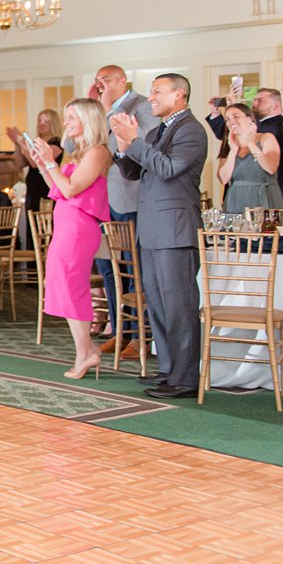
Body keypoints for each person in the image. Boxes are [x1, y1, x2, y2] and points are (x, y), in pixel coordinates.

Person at [111, 73, 208, 400]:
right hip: (152, 228)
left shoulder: (192, 130)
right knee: (158, 306)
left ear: (179, 95)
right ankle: (168, 369)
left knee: (179, 306)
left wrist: (136, 142)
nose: (151, 97)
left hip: (176, 230)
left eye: (157, 92)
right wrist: (125, 147)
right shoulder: (157, 130)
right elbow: (133, 172)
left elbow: (167, 169)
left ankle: (186, 378)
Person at [21, 99, 111, 379]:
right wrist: (43, 166)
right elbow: (58, 188)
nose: (67, 122)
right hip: (66, 226)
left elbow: (71, 189)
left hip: (79, 229)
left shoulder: (97, 152)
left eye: (72, 117)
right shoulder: (79, 153)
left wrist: (50, 162)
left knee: (73, 289)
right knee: (65, 286)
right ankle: (85, 349)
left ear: (88, 119)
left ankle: (87, 351)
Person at [89, 65, 159, 351]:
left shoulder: (140, 105)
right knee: (109, 268)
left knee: (133, 268)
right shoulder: (99, 107)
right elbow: (78, 144)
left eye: (106, 79)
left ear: (122, 81)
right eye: (98, 81)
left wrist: (105, 111)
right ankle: (119, 332)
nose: (101, 84)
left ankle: (138, 336)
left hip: (129, 196)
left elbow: (139, 143)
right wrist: (96, 110)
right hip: (103, 198)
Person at [206, 84, 283, 202]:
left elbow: (248, 129)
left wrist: (233, 106)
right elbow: (227, 132)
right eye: (254, 100)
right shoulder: (236, 138)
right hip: (236, 195)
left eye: (260, 101)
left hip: (267, 192)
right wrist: (218, 113)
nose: (254, 104)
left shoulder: (280, 125)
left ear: (276, 105)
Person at [218, 103, 283, 214]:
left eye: (236, 116)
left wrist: (251, 143)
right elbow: (224, 179)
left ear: (249, 118)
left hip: (264, 199)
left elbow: (271, 168)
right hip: (235, 201)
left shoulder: (266, 138)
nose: (232, 121)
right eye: (227, 119)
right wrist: (233, 151)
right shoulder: (228, 144)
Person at [6, 109, 63, 213]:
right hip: (32, 189)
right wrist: (17, 144)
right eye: (40, 121)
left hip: (45, 188)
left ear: (53, 124)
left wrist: (21, 141)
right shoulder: (35, 143)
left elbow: (36, 163)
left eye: (46, 121)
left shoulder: (56, 143)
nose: (41, 124)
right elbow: (20, 163)